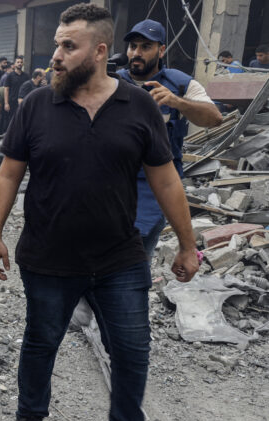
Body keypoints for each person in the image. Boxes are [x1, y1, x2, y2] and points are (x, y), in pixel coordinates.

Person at [0, 3, 200, 421]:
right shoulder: (38, 104)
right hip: (47, 256)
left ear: (100, 51)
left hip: (118, 258)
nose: (56, 54)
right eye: (58, 44)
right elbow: (8, 174)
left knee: (131, 348)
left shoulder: (139, 106)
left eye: (68, 45)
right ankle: (30, 416)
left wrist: (188, 245)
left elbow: (166, 182)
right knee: (41, 341)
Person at [118, 19, 222, 256]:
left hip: (154, 187)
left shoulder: (180, 83)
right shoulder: (112, 80)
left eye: (145, 46)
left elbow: (214, 118)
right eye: (133, 46)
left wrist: (177, 102)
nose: (137, 53)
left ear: (161, 50)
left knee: (134, 257)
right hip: (112, 180)